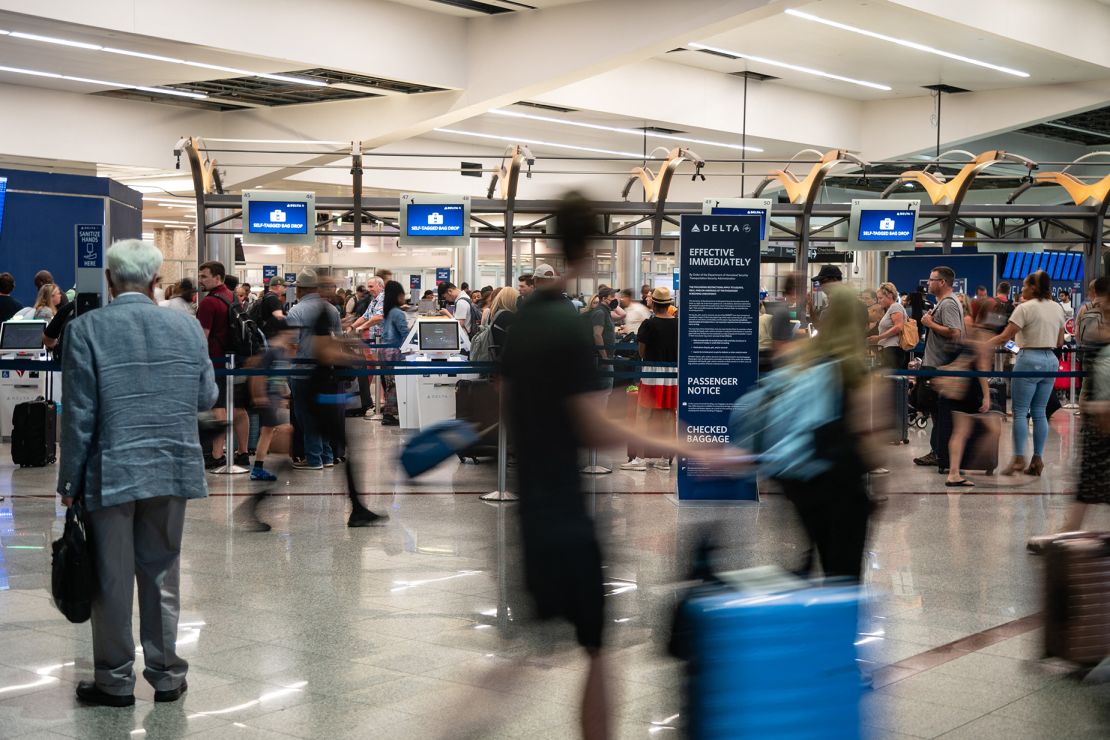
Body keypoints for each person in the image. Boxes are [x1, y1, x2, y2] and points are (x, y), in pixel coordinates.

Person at [500, 193, 740, 739]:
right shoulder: (567, 325)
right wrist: (692, 446)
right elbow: (595, 425)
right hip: (563, 515)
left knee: (529, 655)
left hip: (534, 510)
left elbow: (505, 400)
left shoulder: (525, 317)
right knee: (596, 650)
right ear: (595, 246)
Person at [58, 239, 216, 707]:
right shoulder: (187, 327)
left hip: (112, 470)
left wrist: (69, 482)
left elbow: (79, 416)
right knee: (163, 570)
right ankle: (167, 675)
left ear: (109, 280)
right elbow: (206, 397)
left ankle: (115, 680)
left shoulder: (86, 329)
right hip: (171, 465)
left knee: (111, 579)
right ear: (156, 281)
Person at [779, 279, 881, 583]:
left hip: (802, 479)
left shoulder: (801, 360)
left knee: (820, 549)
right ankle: (835, 619)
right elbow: (868, 435)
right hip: (842, 482)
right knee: (844, 573)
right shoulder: (855, 369)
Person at [1027, 298, 1110, 552]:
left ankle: (1067, 532)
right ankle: (1067, 532)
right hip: (1098, 427)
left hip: (1103, 422)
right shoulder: (1101, 338)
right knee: (1089, 483)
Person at [989, 270, 1066, 476]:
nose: (1021, 289)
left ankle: (1018, 458)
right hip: (1050, 360)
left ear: (1033, 287)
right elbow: (1059, 342)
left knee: (1021, 412)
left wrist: (981, 345)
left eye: (1024, 285)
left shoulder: (1025, 308)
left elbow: (1005, 336)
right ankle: (1037, 460)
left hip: (1029, 360)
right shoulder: (1057, 308)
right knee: (1040, 411)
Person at [196, 261, 250, 470]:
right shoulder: (231, 296)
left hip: (217, 361)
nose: (200, 280)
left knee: (219, 407)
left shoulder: (209, 302)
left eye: (204, 276)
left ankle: (217, 454)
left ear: (217, 277)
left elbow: (203, 336)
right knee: (237, 407)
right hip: (236, 360)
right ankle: (243, 452)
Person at [285, 268, 341, 469]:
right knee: (324, 414)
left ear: (299, 289)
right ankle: (327, 456)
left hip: (302, 372)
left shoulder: (295, 311)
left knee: (306, 416)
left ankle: (314, 458)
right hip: (327, 371)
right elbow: (337, 340)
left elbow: (292, 345)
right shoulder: (331, 309)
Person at [622, 287, 679, 472]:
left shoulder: (648, 324)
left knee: (643, 414)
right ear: (669, 304)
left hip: (651, 372)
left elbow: (641, 351)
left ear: (653, 304)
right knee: (669, 416)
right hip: (672, 375)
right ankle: (665, 459)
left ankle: (639, 458)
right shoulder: (679, 324)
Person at [913, 266, 965, 468]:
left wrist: (930, 323)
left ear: (942, 282)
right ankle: (938, 451)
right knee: (936, 412)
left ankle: (941, 453)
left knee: (939, 412)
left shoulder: (949, 304)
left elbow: (955, 333)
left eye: (931, 279)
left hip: (941, 367)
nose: (928, 283)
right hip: (937, 365)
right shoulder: (943, 303)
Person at [944, 311, 1002, 487]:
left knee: (960, 432)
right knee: (994, 428)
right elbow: (982, 370)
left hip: (958, 389)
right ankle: (978, 462)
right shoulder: (983, 338)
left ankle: (954, 472)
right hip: (971, 390)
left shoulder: (962, 337)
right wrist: (986, 396)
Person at [247, 328, 294, 484]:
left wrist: (282, 395)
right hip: (266, 397)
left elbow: (278, 376)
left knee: (267, 431)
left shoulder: (282, 350)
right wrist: (259, 396)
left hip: (272, 397)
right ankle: (258, 468)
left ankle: (259, 467)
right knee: (267, 431)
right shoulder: (271, 351)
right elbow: (259, 375)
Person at [378, 280, 409, 427]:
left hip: (385, 352)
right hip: (394, 353)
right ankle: (389, 415)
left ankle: (389, 413)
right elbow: (405, 334)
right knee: (394, 384)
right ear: (398, 295)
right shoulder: (398, 313)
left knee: (389, 384)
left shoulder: (389, 311)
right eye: (403, 294)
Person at [868, 281, 908, 369]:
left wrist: (879, 337)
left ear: (889, 295)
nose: (879, 301)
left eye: (881, 298)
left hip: (893, 350)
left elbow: (898, 327)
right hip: (889, 350)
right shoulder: (890, 309)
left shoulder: (895, 307)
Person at [486, 286, 518, 360]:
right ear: (512, 300)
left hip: (495, 356)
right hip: (505, 358)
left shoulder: (495, 313)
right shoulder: (507, 316)